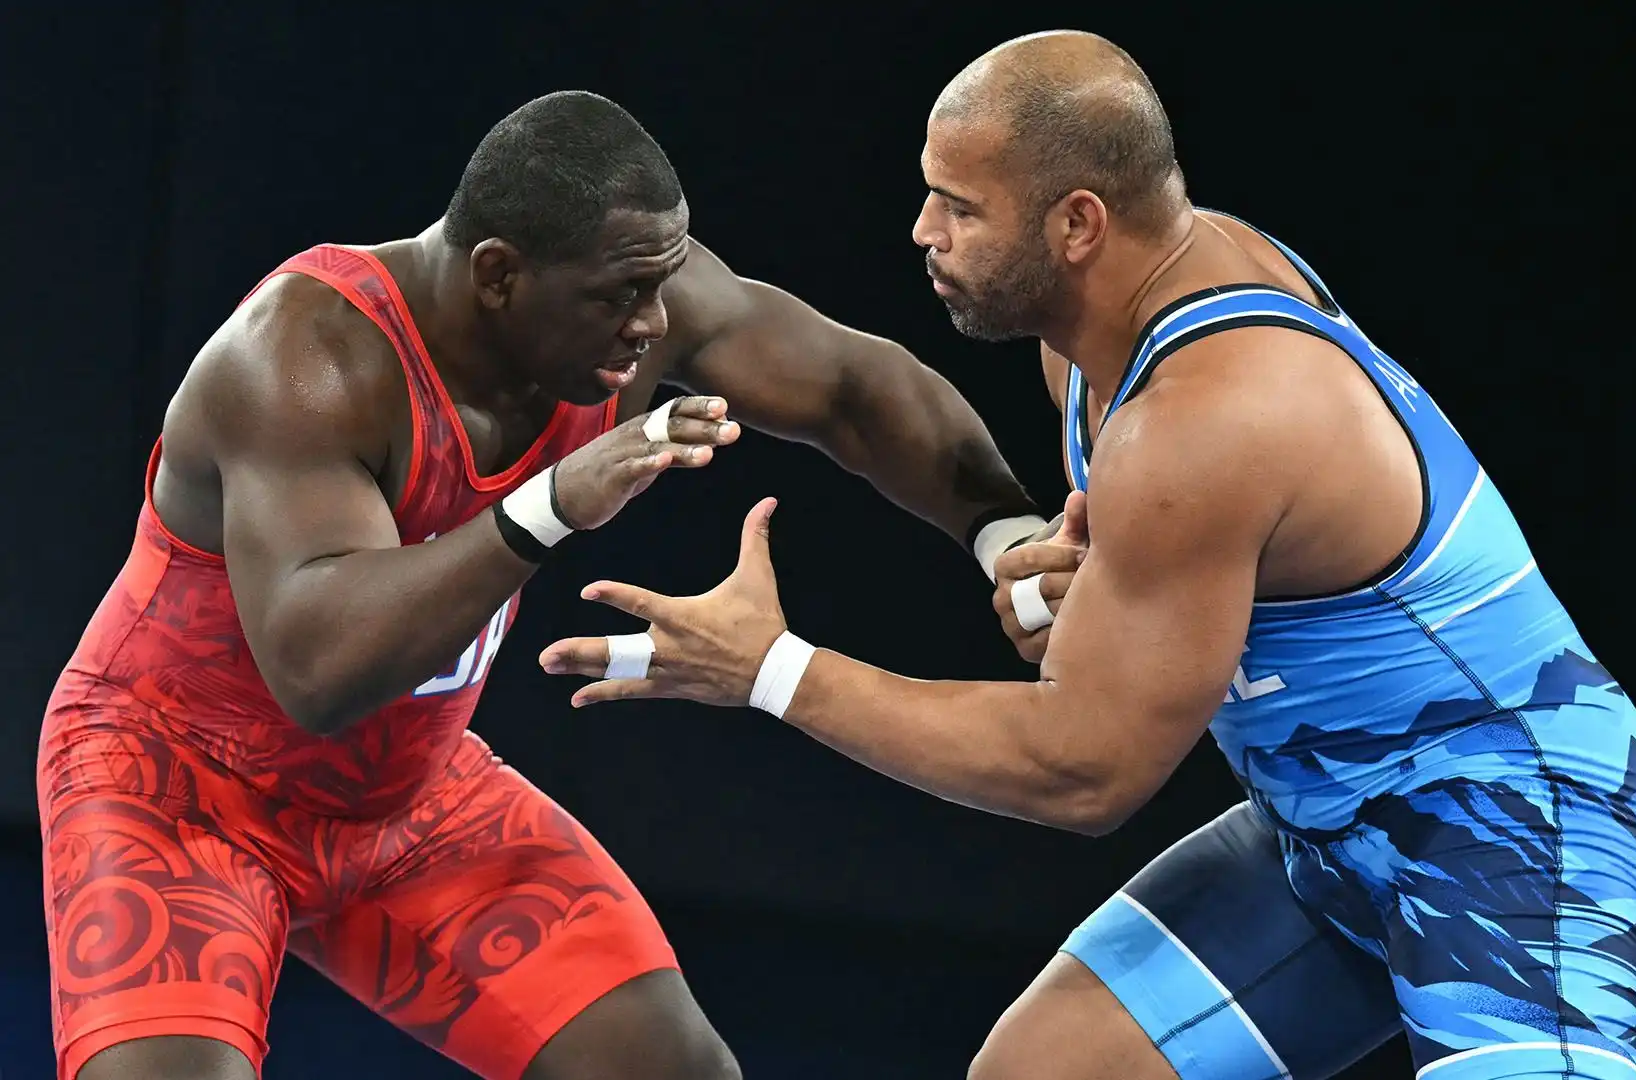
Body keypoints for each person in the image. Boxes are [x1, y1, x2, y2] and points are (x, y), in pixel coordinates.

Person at [538, 32, 1636, 1080]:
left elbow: (1082, 772)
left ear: (1077, 224)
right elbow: (1161, 596)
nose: (922, 234)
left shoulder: (1206, 413)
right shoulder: (1100, 334)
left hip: (1514, 821)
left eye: (958, 208)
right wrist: (1047, 575)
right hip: (1321, 829)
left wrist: (771, 672)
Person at [38, 90, 1049, 1080]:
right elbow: (321, 669)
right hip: (178, 796)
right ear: (498, 274)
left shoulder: (633, 305)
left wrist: (1002, 530)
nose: (654, 326)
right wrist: (548, 505)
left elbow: (852, 389)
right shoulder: (306, 358)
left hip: (407, 802)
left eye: (661, 286)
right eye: (620, 297)